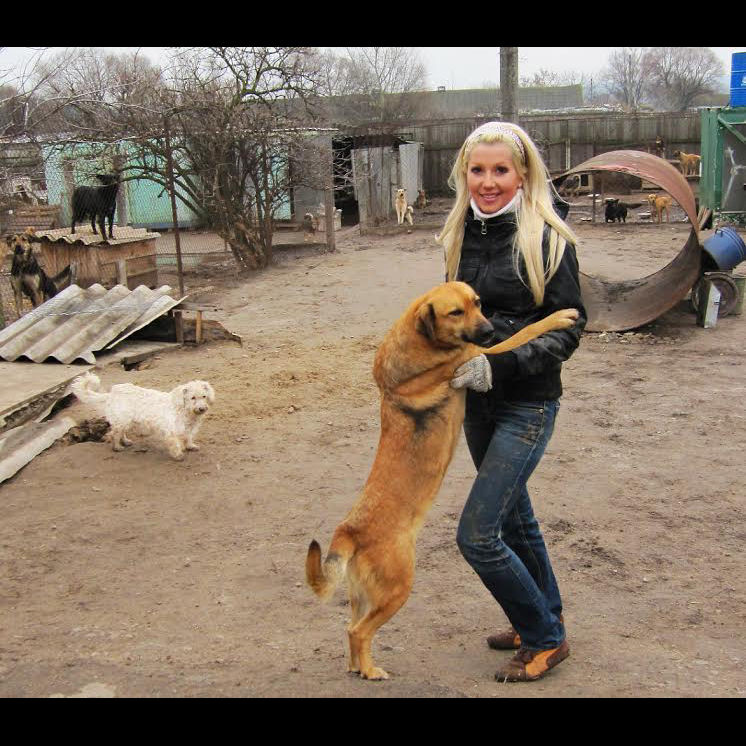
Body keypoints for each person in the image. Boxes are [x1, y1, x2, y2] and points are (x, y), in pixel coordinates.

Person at [436, 121, 586, 682]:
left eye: (501, 170)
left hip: (528, 404)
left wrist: (496, 366)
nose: (488, 181)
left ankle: (546, 638)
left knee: (477, 535)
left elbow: (568, 328)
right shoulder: (460, 234)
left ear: (522, 174)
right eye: (478, 170)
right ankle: (542, 619)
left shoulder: (550, 238)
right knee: (517, 520)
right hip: (476, 404)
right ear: (464, 174)